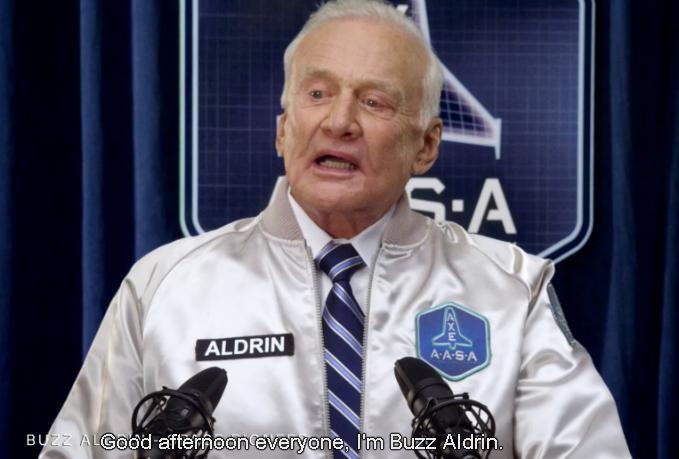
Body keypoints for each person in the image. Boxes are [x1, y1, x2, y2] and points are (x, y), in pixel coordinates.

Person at [41, 0, 631, 458]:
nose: (340, 121)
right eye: (318, 93)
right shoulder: (163, 287)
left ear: (426, 145)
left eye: (375, 102)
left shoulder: (510, 290)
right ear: (283, 130)